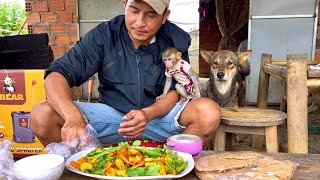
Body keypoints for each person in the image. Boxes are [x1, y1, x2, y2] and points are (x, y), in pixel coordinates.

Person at [30, 0, 221, 148]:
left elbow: (174, 90)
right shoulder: (105, 35)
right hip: (112, 119)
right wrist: (73, 117)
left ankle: (168, 165)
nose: (140, 22)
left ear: (165, 16)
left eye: (151, 15)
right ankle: (89, 164)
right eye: (134, 11)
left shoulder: (175, 40)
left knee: (208, 112)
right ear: (124, 5)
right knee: (42, 115)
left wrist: (147, 114)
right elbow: (56, 75)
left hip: (158, 118)